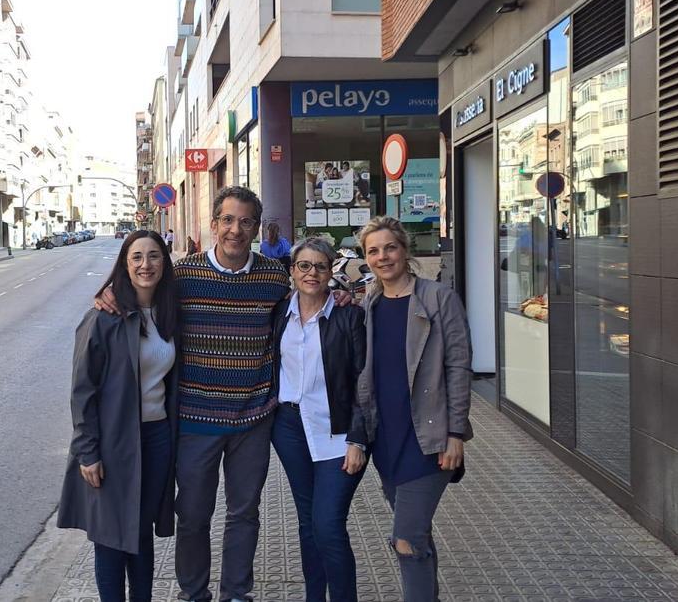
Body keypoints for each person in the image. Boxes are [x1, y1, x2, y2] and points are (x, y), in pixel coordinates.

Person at [96, 186, 295, 602]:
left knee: (244, 514)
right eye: (227, 220)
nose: (235, 230)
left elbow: (307, 303)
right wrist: (110, 292)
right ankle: (194, 594)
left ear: (256, 227)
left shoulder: (275, 278)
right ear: (214, 224)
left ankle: (236, 593)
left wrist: (346, 293)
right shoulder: (183, 276)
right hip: (194, 420)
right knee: (192, 517)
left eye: (245, 222)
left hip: (252, 420)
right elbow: (141, 291)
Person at [58, 230, 180, 602]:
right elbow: (82, 391)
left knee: (140, 534)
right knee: (111, 537)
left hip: (157, 439)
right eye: (137, 257)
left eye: (154, 256)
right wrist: (88, 452)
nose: (146, 265)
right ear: (124, 265)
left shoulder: (169, 312)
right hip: (112, 443)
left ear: (165, 263)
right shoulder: (104, 317)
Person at [356, 216, 473, 602]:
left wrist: (455, 433)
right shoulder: (370, 302)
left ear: (405, 249)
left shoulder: (439, 298)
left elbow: (458, 366)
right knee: (417, 535)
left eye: (390, 247)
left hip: (430, 439)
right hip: (387, 441)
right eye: (373, 251)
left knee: (405, 538)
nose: (382, 256)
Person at [271, 237, 370, 602]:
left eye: (321, 266)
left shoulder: (349, 315)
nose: (312, 273)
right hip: (289, 429)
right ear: (293, 271)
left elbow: (364, 382)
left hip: (338, 432)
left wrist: (358, 439)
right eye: (304, 266)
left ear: (332, 272)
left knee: (327, 525)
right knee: (307, 525)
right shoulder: (279, 312)